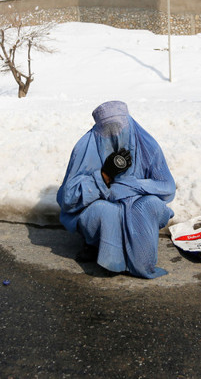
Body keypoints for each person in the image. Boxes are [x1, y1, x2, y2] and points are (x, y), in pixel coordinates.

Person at [56, 101, 175, 279]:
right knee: (106, 212)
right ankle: (101, 250)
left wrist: (128, 186)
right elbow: (67, 199)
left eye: (120, 129)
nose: (115, 136)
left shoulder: (147, 146)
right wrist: (104, 176)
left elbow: (167, 187)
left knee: (149, 205)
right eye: (107, 132)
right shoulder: (85, 147)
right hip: (101, 207)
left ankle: (142, 258)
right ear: (98, 130)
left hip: (137, 204)